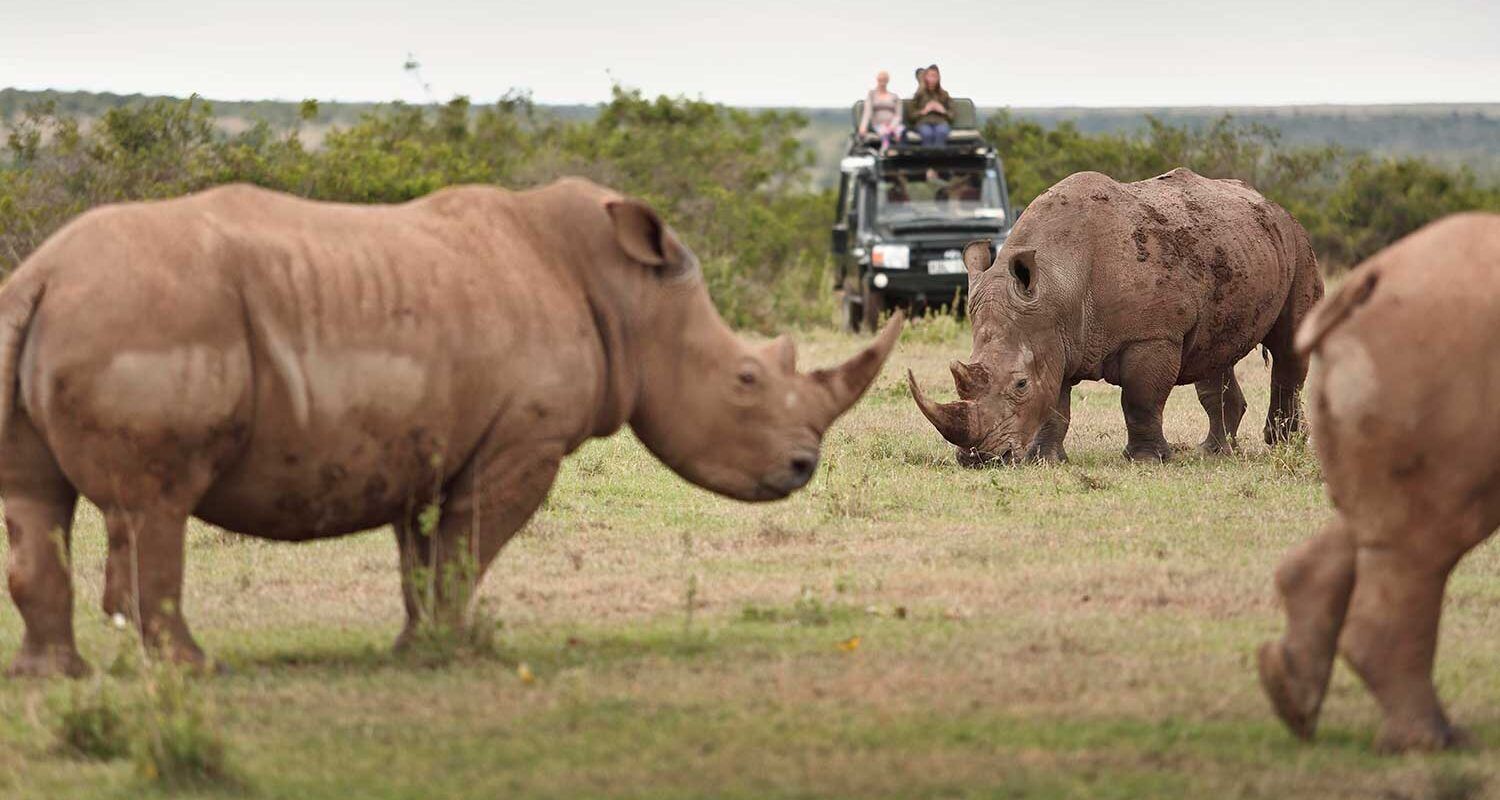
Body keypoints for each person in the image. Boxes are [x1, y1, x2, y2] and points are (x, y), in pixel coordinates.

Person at [857, 71, 903, 151]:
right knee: (885, 133)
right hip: (879, 125)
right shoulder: (871, 94)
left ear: (887, 81)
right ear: (877, 80)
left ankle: (901, 154)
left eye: (884, 80)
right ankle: (886, 151)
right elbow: (867, 112)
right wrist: (863, 126)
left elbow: (898, 115)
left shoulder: (894, 96)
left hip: (893, 125)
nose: (882, 82)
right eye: (880, 80)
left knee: (900, 132)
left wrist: (892, 126)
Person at [911, 64, 952, 147]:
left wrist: (943, 111)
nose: (932, 79)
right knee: (927, 133)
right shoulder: (919, 94)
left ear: (938, 78)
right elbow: (911, 116)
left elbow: (952, 116)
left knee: (941, 132)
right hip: (923, 123)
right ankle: (927, 159)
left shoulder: (944, 94)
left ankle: (938, 159)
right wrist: (924, 111)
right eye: (929, 76)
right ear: (925, 78)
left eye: (934, 76)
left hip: (941, 123)